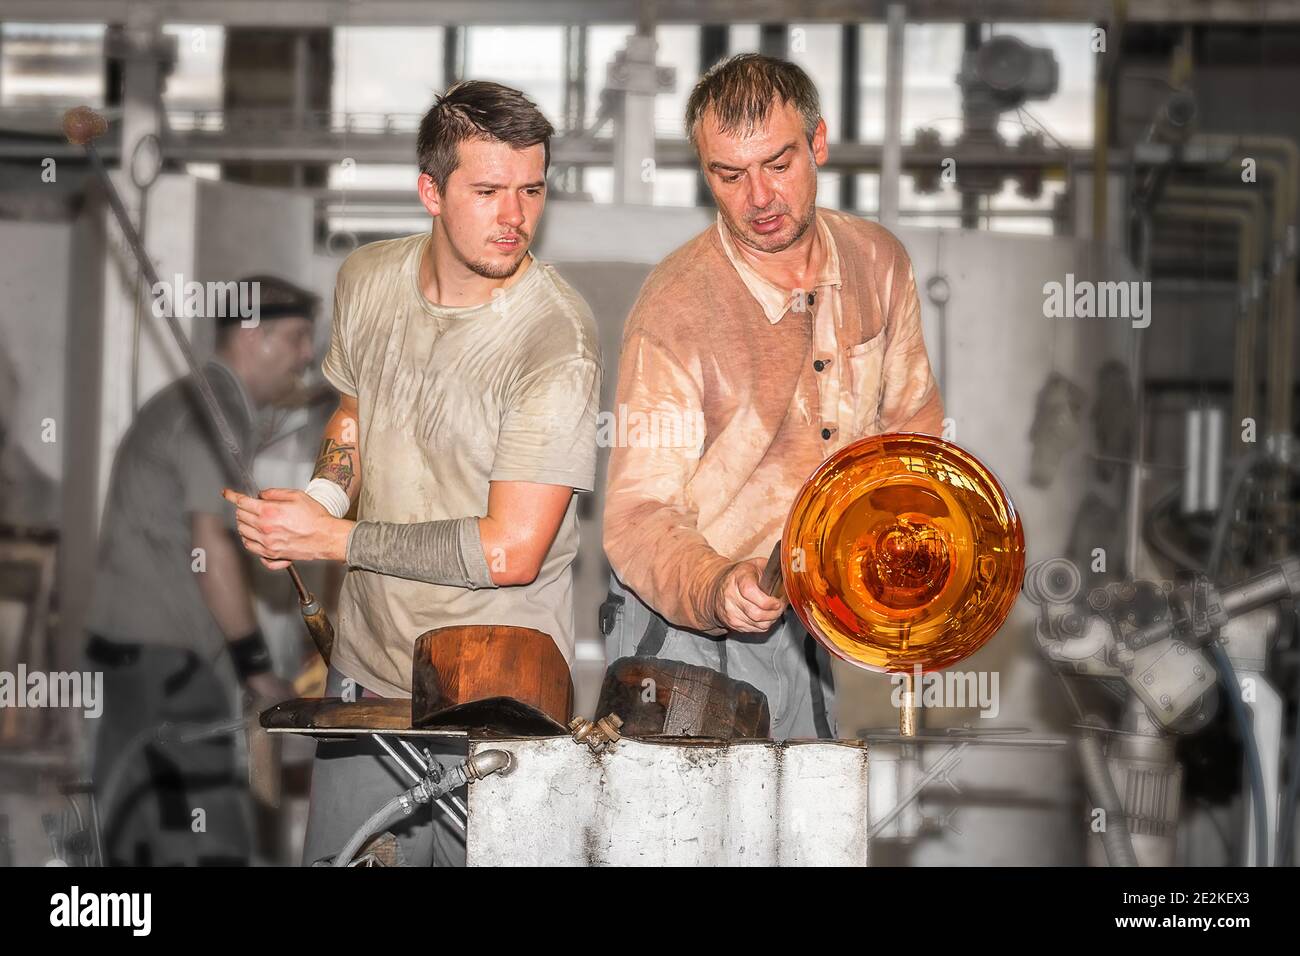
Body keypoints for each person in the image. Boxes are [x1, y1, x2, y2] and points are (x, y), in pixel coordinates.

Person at [223, 80, 601, 866]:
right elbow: (354, 415)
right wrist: (320, 498)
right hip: (367, 672)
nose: (515, 218)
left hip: (501, 688)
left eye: (532, 190)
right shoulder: (366, 279)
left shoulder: (552, 341)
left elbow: (510, 552)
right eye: (489, 190)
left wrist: (336, 540)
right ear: (430, 190)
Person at [601, 54, 944, 740]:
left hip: (812, 613)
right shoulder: (675, 307)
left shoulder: (879, 263)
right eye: (729, 176)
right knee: (687, 838)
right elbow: (636, 515)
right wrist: (715, 584)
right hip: (685, 628)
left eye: (779, 165)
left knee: (799, 824)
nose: (758, 198)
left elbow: (912, 432)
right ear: (706, 175)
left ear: (818, 142)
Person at [86, 275, 316, 865]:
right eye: (295, 338)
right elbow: (209, 541)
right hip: (169, 667)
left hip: (132, 655)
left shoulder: (193, 400)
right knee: (211, 842)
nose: (305, 356)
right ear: (251, 334)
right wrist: (258, 669)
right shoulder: (216, 409)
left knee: (140, 833)